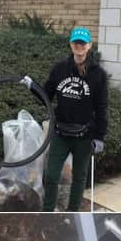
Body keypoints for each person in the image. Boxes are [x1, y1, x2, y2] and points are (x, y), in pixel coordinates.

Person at [42, 27, 108, 212]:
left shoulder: (98, 75)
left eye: (83, 43)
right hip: (61, 133)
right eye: (76, 42)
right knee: (51, 175)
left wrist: (99, 137)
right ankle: (48, 212)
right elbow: (46, 96)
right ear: (70, 44)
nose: (79, 46)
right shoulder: (60, 69)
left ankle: (73, 212)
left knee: (79, 177)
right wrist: (32, 86)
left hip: (84, 135)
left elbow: (101, 107)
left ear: (89, 45)